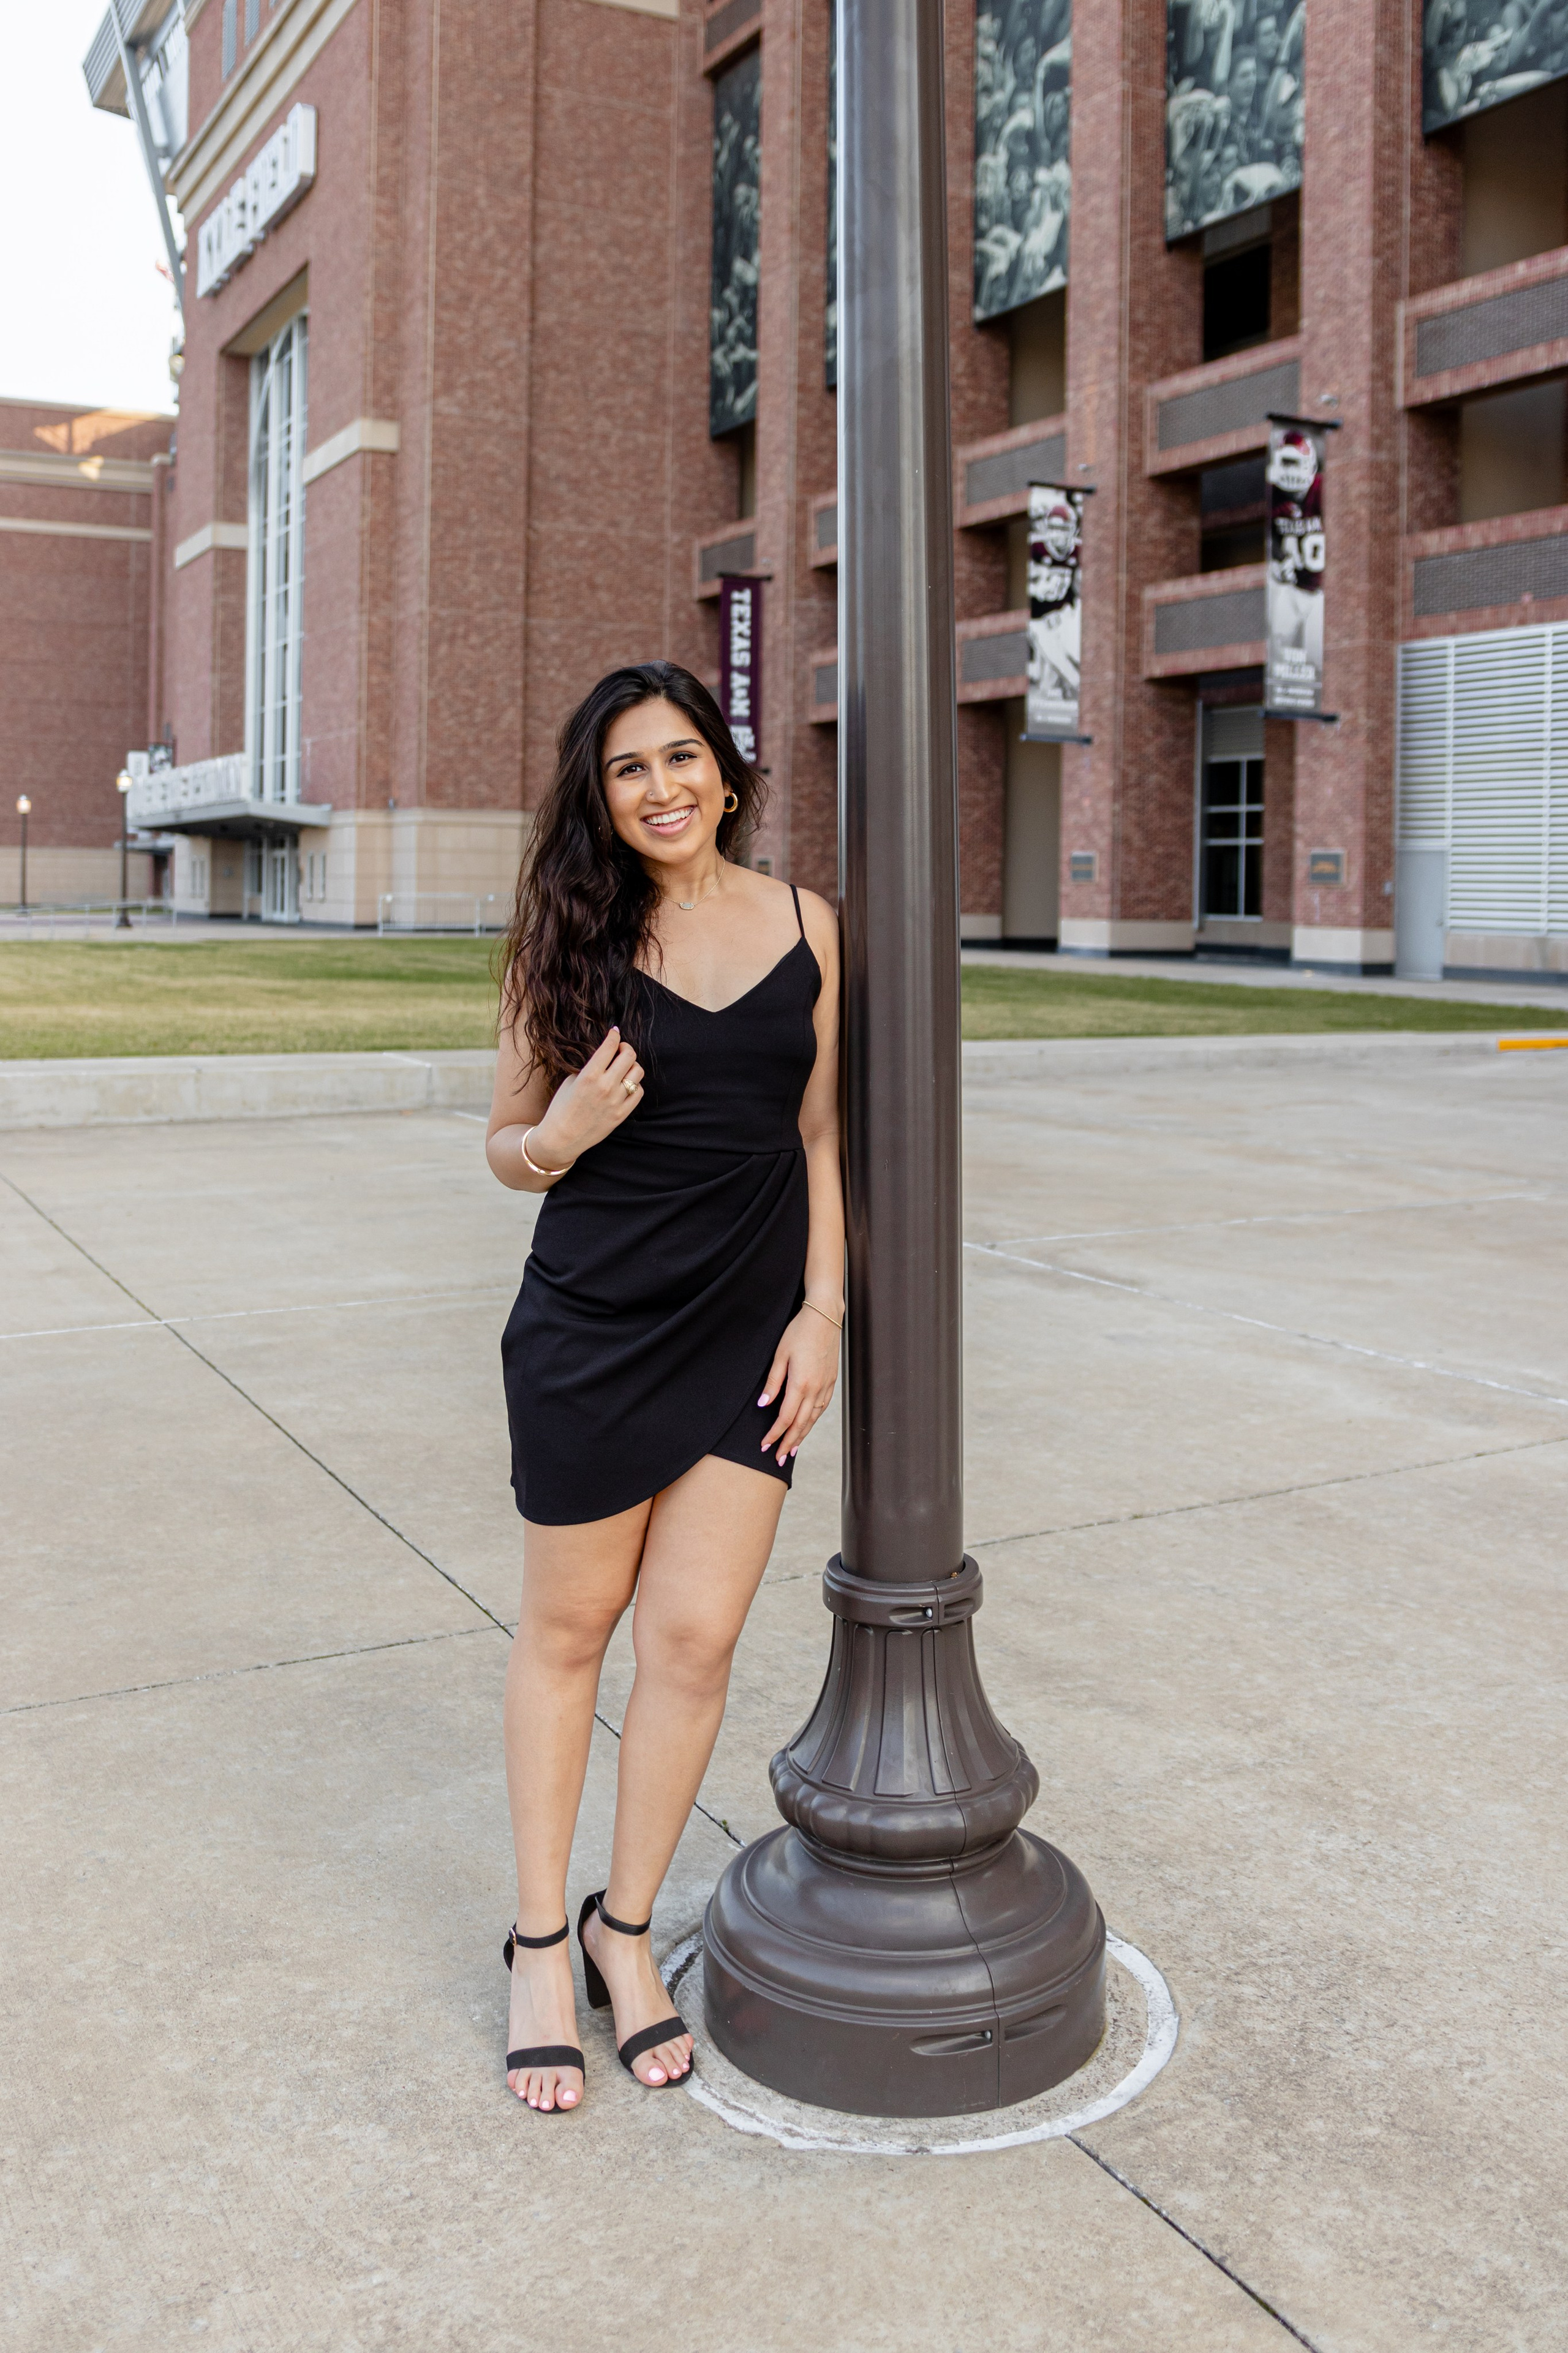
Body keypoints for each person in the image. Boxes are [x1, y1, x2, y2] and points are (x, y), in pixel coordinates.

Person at [485, 660, 844, 2113]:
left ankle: (621, 1933)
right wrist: (559, 1131)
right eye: (629, 768)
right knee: (570, 1633)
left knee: (691, 1643)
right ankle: (531, 1941)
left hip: (751, 1335)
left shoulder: (808, 924)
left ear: (726, 770)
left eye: (682, 756)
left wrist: (824, 1310)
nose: (661, 788)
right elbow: (502, 1146)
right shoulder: (565, 933)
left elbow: (819, 1137)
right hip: (589, 1330)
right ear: (600, 794)